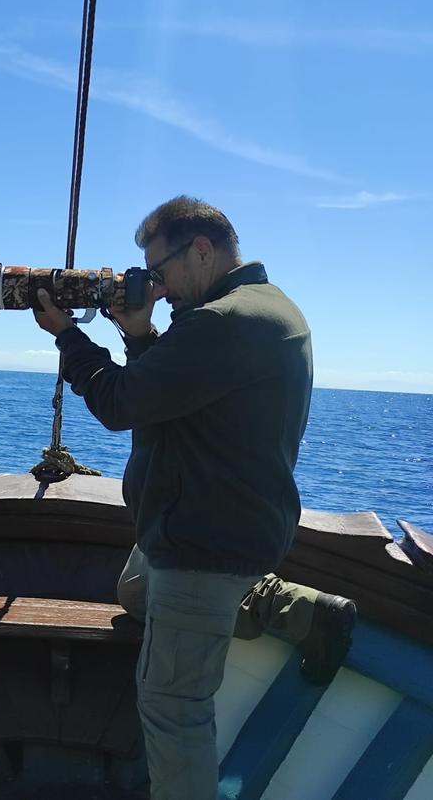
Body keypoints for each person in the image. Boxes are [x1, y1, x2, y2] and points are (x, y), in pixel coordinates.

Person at [32, 196, 355, 800]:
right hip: (218, 524)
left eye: (161, 270)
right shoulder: (263, 309)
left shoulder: (221, 322)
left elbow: (122, 404)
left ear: (202, 251)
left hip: (204, 543)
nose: (156, 285)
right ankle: (299, 610)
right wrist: (138, 333)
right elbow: (174, 393)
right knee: (133, 591)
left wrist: (69, 336)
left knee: (172, 706)